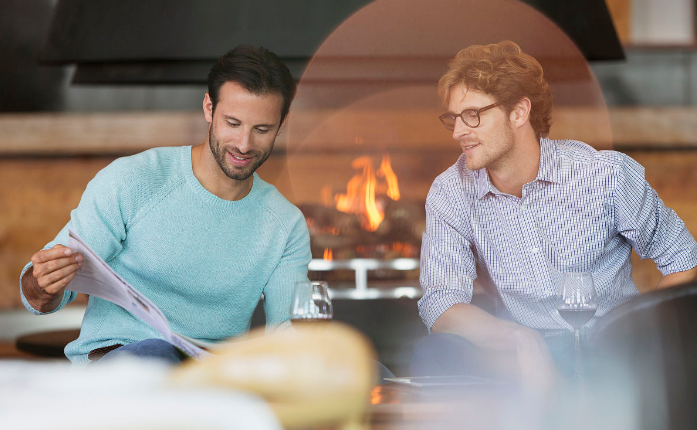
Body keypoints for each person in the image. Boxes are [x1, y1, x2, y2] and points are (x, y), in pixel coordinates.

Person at [410, 41, 697, 384]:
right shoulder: (451, 191)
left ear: (519, 112)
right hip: (519, 362)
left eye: (473, 115)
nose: (458, 132)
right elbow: (441, 302)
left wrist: (642, 339)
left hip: (609, 354)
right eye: (454, 119)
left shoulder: (601, 175)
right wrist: (519, 338)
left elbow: (683, 259)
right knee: (431, 354)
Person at [19, 45, 312, 366]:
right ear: (209, 109)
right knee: (156, 356)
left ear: (281, 125)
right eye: (233, 123)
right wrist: (44, 286)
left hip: (217, 377)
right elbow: (38, 294)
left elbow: (286, 331)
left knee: (370, 370)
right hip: (124, 364)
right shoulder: (132, 181)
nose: (244, 144)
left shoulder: (286, 224)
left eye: (262, 130)